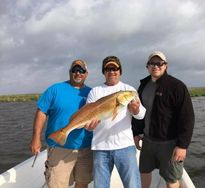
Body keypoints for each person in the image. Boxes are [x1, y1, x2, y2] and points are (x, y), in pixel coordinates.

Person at [132, 51, 195, 188]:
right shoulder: (143, 86)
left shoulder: (177, 87)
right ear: (147, 66)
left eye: (159, 63)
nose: (156, 66)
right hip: (148, 140)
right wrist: (136, 133)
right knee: (144, 170)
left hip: (170, 143)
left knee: (171, 178)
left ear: (165, 65)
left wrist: (182, 145)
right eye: (152, 63)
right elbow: (138, 112)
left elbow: (187, 118)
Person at [30, 59, 95, 188]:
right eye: (75, 70)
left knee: (82, 183)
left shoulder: (92, 93)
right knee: (57, 185)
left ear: (87, 73)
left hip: (86, 148)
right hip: (59, 148)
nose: (78, 73)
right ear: (70, 72)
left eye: (81, 70)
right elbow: (41, 112)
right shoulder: (55, 89)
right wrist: (35, 138)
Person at [86, 56, 146, 188]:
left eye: (115, 68)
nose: (112, 71)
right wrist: (89, 127)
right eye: (108, 68)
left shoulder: (129, 90)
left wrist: (135, 110)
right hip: (100, 148)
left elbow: (141, 115)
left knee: (133, 185)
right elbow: (88, 122)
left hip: (125, 147)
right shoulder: (95, 91)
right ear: (103, 71)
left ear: (120, 71)